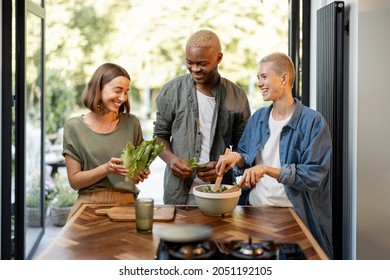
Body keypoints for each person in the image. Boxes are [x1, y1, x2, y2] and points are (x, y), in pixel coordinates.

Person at [215, 52, 333, 259]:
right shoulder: (258, 117)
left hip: (293, 218)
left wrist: (267, 169)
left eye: (264, 77)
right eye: (258, 77)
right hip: (254, 213)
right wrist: (236, 158)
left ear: (284, 78)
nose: (259, 83)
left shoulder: (313, 122)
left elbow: (314, 175)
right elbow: (246, 155)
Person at [153, 29, 251, 205]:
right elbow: (159, 135)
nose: (195, 69)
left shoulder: (237, 96)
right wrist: (170, 159)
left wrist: (224, 166)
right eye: (189, 63)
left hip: (219, 193)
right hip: (178, 194)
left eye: (202, 64)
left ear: (219, 58)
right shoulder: (171, 91)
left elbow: (244, 148)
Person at [62, 62, 150, 219]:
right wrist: (107, 169)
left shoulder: (132, 124)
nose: (123, 98)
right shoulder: (74, 127)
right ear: (98, 88)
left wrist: (139, 172)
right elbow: (74, 181)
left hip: (126, 203)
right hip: (87, 206)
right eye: (118, 91)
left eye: (126, 92)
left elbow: (134, 172)